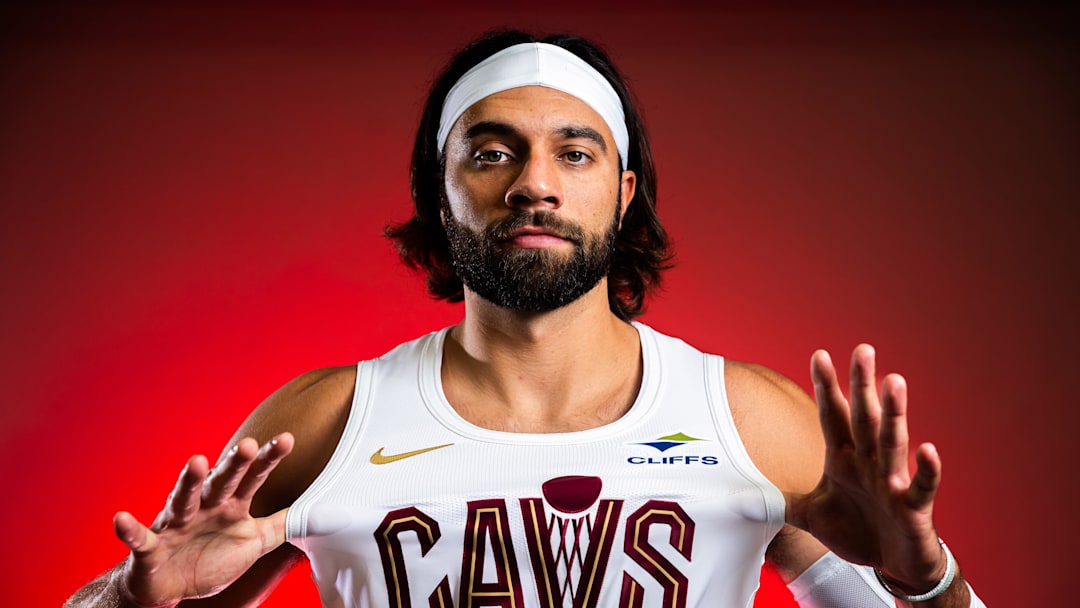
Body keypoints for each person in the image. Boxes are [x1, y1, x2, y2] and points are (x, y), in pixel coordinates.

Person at [67, 30, 987, 608]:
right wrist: (133, 602)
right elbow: (148, 587)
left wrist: (923, 579)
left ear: (622, 194)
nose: (535, 183)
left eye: (575, 153)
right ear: (439, 193)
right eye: (492, 151)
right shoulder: (323, 424)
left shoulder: (748, 421)